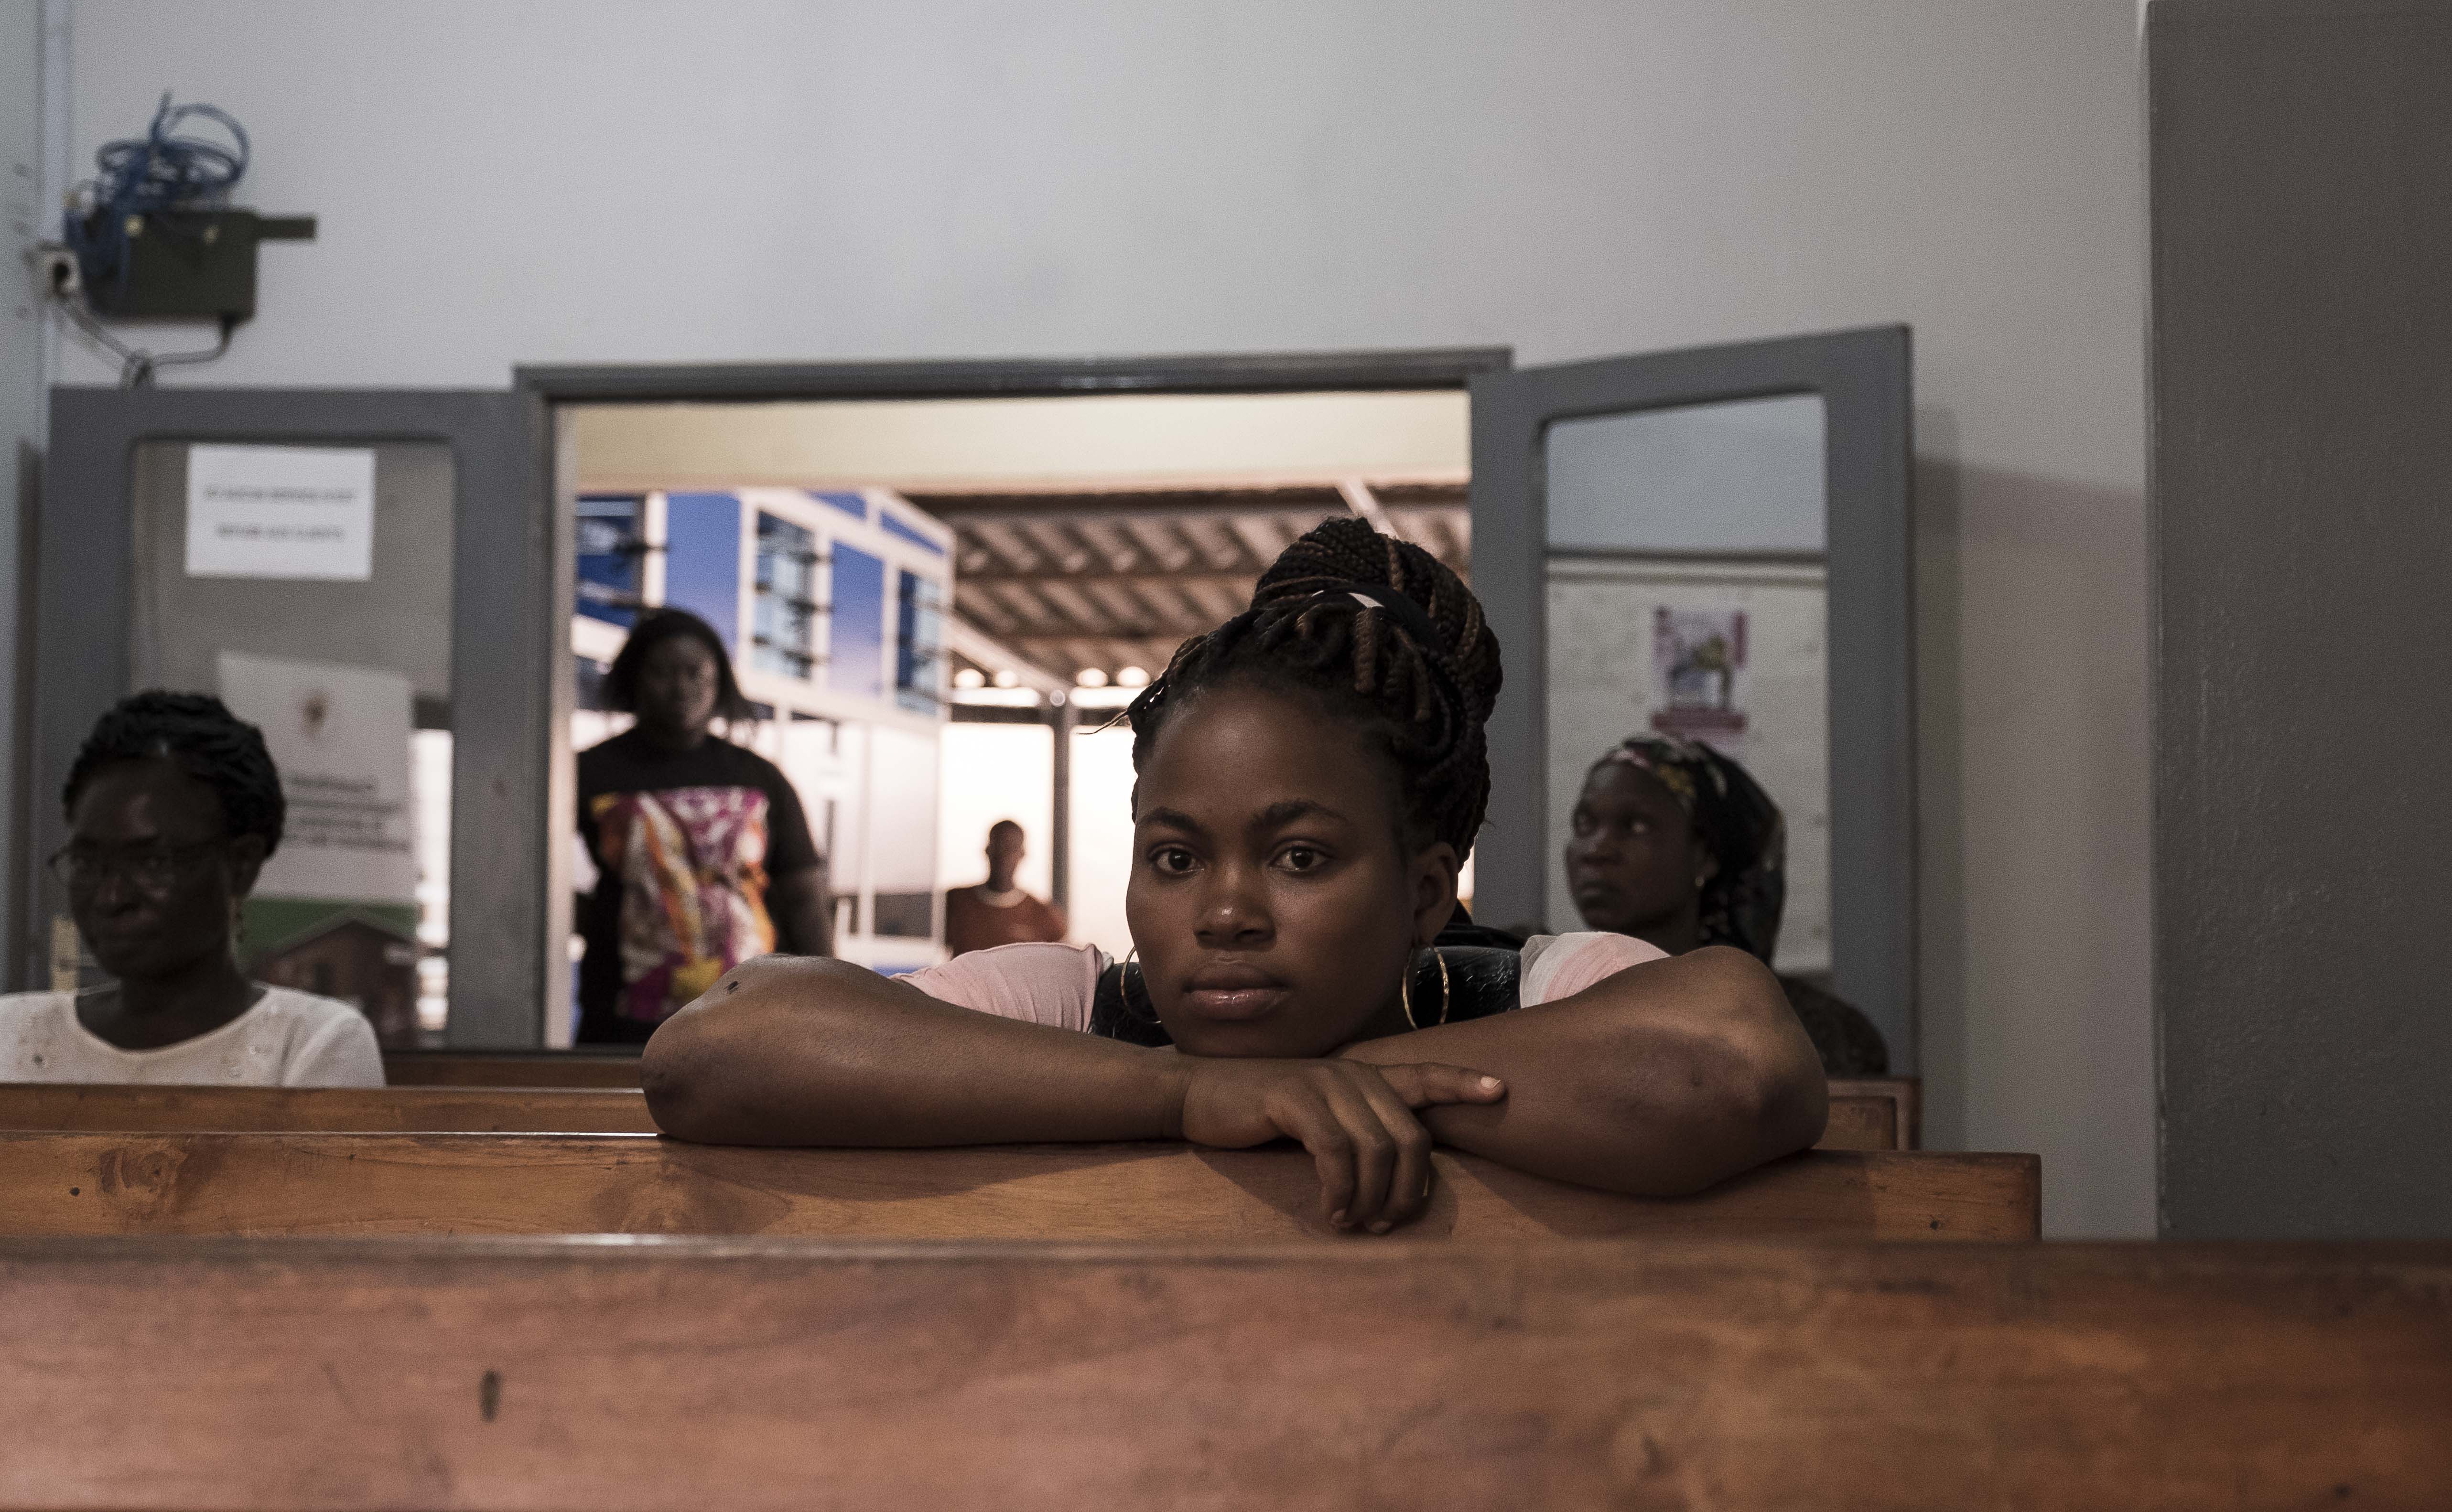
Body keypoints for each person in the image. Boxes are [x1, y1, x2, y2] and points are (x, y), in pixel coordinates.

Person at [643, 519, 1826, 1233]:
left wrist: (1319, 1078)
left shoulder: (1547, 990)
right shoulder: (1080, 1006)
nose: (1222, 910)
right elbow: (718, 1050)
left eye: (1300, 855)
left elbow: (1732, 1064)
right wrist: (1180, 1094)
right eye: (1174, 854)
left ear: (1425, 892)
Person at [0, 692, 384, 1085]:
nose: (111, 897)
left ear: (241, 864)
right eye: (87, 862)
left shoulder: (312, 1042)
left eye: (153, 862)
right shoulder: (13, 1034)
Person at [1565, 733, 1890, 1077]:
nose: (1596, 849)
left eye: (1635, 825)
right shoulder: (1539, 1000)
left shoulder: (1813, 1036)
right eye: (1584, 824)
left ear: (1704, 855)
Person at [576, 609, 832, 1044]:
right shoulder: (591, 772)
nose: (681, 687)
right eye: (662, 672)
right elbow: (529, 872)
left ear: (719, 679)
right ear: (634, 678)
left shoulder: (760, 778)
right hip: (624, 1018)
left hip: (752, 1018)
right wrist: (590, 915)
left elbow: (803, 895)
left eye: (695, 672)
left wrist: (829, 999)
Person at [942, 820, 1067, 955]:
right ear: (988, 850)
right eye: (999, 846)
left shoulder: (1045, 916)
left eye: (1011, 848)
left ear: (1022, 854)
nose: (1003, 856)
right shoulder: (954, 902)